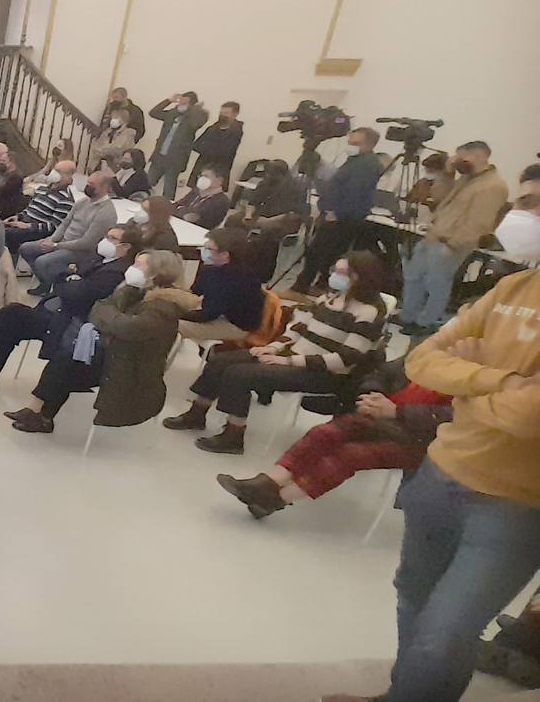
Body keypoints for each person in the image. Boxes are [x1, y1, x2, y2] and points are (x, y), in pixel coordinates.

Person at [321, 264, 540, 702]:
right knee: (412, 600)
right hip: (439, 476)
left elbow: (529, 415)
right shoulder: (516, 285)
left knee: (446, 633)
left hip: (517, 505)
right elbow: (422, 359)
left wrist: (465, 392)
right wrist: (501, 382)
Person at [166, 251, 389, 455]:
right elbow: (297, 327)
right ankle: (197, 413)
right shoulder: (330, 297)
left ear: (360, 277)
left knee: (240, 374)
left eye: (342, 273)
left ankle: (234, 435)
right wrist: (273, 347)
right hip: (293, 356)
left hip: (324, 372)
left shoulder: (368, 313)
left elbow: (345, 359)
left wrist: (289, 361)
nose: (335, 277)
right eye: (335, 271)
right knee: (221, 361)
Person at [216, 359, 451, 520]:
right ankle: (267, 482)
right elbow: (380, 372)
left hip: (429, 440)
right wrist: (372, 394)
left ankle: (274, 499)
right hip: (386, 416)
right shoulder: (433, 352)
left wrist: (397, 412)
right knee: (325, 433)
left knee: (351, 455)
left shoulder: (480, 380)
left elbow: (457, 418)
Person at [9, 249, 193, 434]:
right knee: (67, 358)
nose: (132, 268)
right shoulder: (133, 291)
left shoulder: (162, 306)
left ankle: (39, 413)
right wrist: (111, 319)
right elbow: (98, 309)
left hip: (131, 366)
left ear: (155, 273)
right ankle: (39, 413)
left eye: (138, 265)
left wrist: (109, 318)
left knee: (66, 362)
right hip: (116, 352)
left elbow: (127, 327)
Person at [0, 225, 141, 395]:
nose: (106, 240)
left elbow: (78, 293)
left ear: (126, 247)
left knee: (10, 317)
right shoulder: (98, 259)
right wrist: (70, 278)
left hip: (70, 322)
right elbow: (63, 276)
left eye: (113, 238)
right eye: (107, 235)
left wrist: (71, 279)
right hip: (57, 310)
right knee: (8, 318)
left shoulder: (117, 272)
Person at [398, 140, 508, 335]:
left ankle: (426, 322)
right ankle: (408, 316)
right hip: (433, 235)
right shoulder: (466, 179)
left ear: (478, 156)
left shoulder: (493, 185)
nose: (456, 161)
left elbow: (479, 222)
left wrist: (453, 245)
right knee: (413, 277)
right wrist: (447, 173)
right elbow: (438, 196)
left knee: (436, 283)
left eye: (461, 157)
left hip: (450, 243)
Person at [291, 128, 384, 295]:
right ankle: (317, 285)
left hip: (343, 217)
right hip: (336, 212)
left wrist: (335, 212)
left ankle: (304, 286)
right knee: (324, 253)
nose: (350, 146)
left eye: (355, 143)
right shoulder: (355, 160)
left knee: (319, 253)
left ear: (369, 145)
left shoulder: (366, 164)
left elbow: (354, 192)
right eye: (350, 142)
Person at [19, 171, 118, 294]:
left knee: (42, 262)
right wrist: (52, 239)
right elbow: (65, 223)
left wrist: (56, 246)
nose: (87, 186)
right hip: (62, 242)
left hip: (80, 251)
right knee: (26, 248)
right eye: (88, 182)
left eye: (92, 184)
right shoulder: (82, 202)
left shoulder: (106, 213)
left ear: (104, 188)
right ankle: (46, 281)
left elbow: (87, 243)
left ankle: (55, 287)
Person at [177, 228, 265, 343]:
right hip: (219, 314)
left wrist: (175, 313)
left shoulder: (239, 279)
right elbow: (194, 292)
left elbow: (208, 315)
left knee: (172, 325)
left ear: (224, 254)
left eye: (208, 249)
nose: (203, 251)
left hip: (235, 325)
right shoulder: (210, 269)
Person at [3, 160, 76, 255]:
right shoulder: (42, 189)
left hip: (37, 230)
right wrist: (18, 217)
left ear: (69, 177)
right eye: (54, 169)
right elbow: (30, 209)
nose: (54, 173)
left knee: (6, 234)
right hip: (23, 222)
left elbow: (54, 226)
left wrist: (28, 226)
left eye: (59, 171)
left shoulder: (66, 199)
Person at [147, 92, 208, 198]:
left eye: (185, 102)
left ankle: (167, 209)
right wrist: (169, 101)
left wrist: (192, 110)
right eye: (181, 100)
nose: (181, 103)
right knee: (147, 183)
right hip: (160, 155)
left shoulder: (197, 116)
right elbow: (153, 113)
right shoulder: (172, 113)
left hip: (176, 159)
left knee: (169, 188)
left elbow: (195, 124)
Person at [187, 101, 244, 187]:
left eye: (226, 113)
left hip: (218, 171)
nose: (222, 115)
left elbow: (225, 152)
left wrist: (207, 147)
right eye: (221, 112)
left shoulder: (236, 131)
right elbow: (196, 145)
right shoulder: (212, 128)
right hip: (202, 167)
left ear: (235, 114)